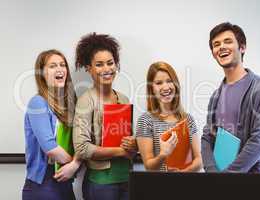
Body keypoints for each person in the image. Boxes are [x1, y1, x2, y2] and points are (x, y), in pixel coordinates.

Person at [201, 22, 260, 193]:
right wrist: (213, 173)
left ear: (242, 47)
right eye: (216, 44)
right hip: (222, 183)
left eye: (227, 41)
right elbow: (207, 137)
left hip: (252, 182)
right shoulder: (215, 95)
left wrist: (228, 178)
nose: (221, 47)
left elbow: (259, 141)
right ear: (213, 54)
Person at [73, 33, 137, 200]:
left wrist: (133, 143)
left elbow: (127, 140)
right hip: (101, 183)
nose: (107, 69)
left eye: (110, 63)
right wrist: (120, 151)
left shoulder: (123, 98)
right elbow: (81, 147)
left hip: (127, 179)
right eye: (99, 65)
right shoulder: (86, 100)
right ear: (89, 68)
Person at [22, 49, 80, 200]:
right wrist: (74, 163)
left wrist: (74, 165)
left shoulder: (69, 105)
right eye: (53, 66)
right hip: (43, 185)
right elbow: (50, 148)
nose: (60, 69)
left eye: (62, 64)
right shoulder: (38, 103)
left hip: (65, 183)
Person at [136, 61, 202, 172]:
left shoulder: (188, 119)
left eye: (169, 81)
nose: (165, 87)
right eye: (159, 83)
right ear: (151, 88)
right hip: (160, 186)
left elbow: (199, 160)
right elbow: (149, 166)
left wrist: (183, 173)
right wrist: (163, 154)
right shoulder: (145, 120)